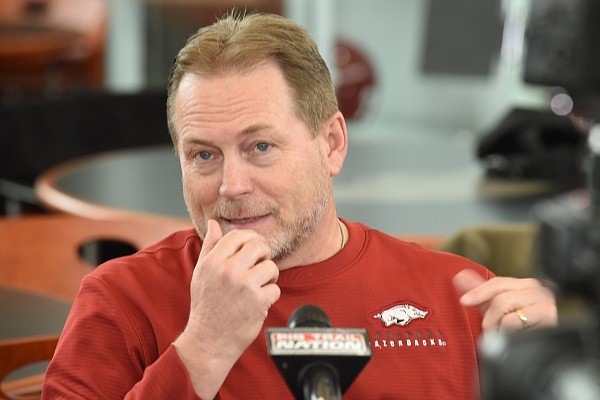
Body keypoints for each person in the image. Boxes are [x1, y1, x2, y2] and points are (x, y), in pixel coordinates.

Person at [42, 12, 557, 399]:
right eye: (204, 154)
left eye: (259, 146)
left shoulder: (460, 299)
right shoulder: (124, 301)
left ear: (331, 144)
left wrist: (560, 370)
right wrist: (201, 351)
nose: (231, 186)